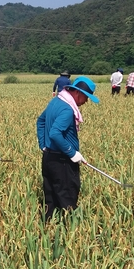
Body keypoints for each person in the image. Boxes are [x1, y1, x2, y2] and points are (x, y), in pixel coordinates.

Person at [37, 76, 99, 221]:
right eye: (86, 97)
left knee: (50, 198)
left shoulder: (56, 101)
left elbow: (41, 121)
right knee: (68, 198)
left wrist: (43, 145)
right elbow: (55, 133)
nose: (86, 101)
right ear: (78, 93)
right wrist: (72, 153)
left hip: (49, 158)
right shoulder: (67, 110)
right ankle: (70, 233)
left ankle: (47, 231)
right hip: (62, 161)